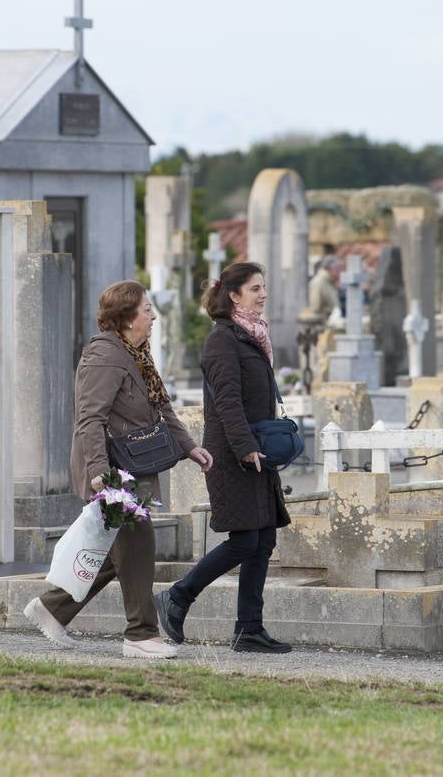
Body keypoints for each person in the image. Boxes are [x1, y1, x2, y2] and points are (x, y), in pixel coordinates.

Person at [24, 280, 213, 659]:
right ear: (127, 317)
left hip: (133, 464)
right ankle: (141, 634)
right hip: (114, 472)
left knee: (119, 553)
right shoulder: (105, 356)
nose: (153, 316)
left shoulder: (136, 353)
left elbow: (162, 410)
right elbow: (89, 417)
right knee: (138, 548)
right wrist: (98, 470)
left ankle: (53, 608)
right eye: (146, 310)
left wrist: (190, 446)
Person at [154, 262, 293, 653]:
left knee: (263, 538)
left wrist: (257, 447)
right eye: (254, 289)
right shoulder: (223, 340)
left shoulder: (253, 337)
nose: (262, 294)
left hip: (255, 451)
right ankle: (178, 596)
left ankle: (249, 629)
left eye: (263, 287)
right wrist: (246, 447)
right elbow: (227, 402)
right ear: (234, 295)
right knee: (245, 539)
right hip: (234, 453)